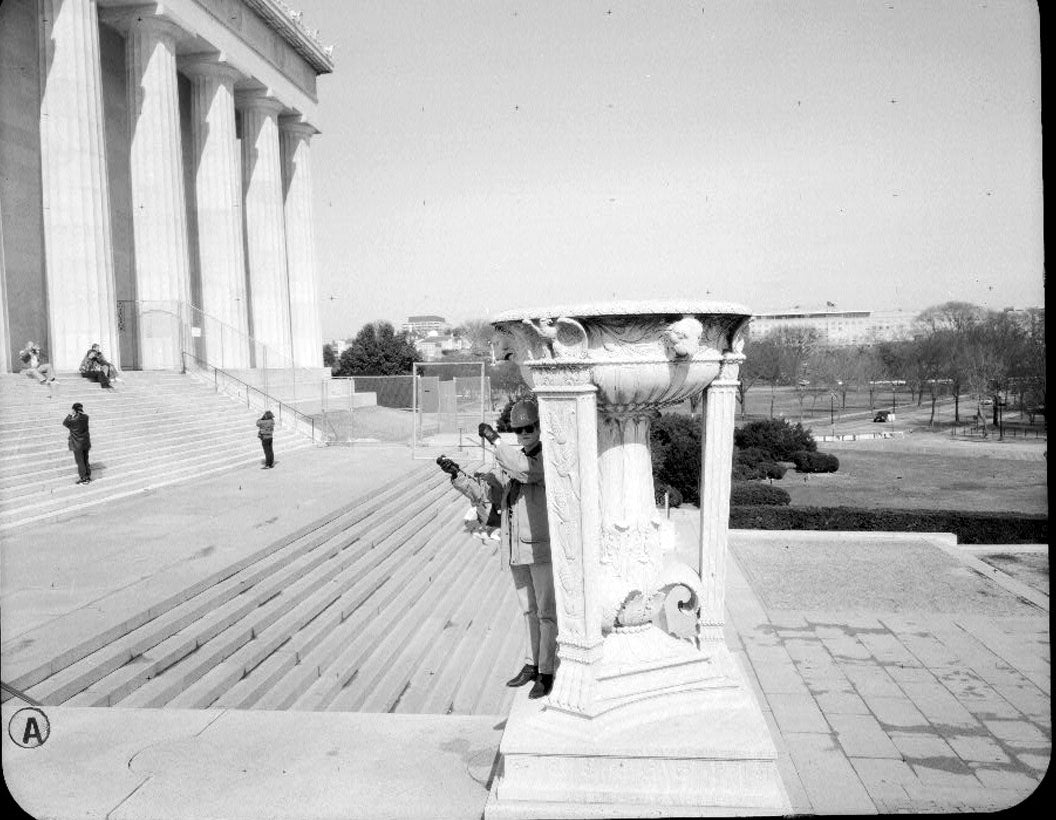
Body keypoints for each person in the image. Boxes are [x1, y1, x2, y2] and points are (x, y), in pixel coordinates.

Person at [437, 399, 557, 699]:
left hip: (541, 550)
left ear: (540, 428)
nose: (526, 433)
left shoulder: (543, 461)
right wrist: (459, 477)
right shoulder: (513, 459)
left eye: (530, 428)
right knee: (529, 611)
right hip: (517, 549)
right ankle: (532, 664)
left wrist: (495, 442)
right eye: (521, 429)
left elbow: (524, 471)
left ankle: (546, 671)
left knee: (546, 613)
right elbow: (491, 492)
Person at [62, 402, 92, 484]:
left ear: (74, 410)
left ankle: (83, 478)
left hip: (77, 444)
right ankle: (88, 476)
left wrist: (70, 415)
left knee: (80, 461)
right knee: (86, 460)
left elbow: (65, 423)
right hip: (85, 443)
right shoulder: (86, 417)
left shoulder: (73, 420)